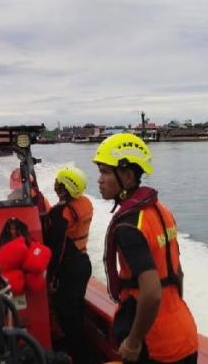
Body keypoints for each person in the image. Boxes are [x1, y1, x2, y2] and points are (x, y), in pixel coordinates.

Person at [93, 133, 198, 364]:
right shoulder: (162, 211)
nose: (99, 180)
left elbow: (151, 293)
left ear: (128, 176)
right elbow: (178, 273)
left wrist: (133, 342)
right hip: (184, 334)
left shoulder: (129, 227)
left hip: (155, 346)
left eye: (105, 172)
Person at [45, 164, 93, 364]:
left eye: (58, 182)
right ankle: (81, 352)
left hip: (69, 268)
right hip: (84, 263)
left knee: (66, 314)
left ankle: (75, 356)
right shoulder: (85, 203)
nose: (55, 184)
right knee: (77, 310)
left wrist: (50, 277)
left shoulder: (60, 214)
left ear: (64, 187)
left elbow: (56, 250)